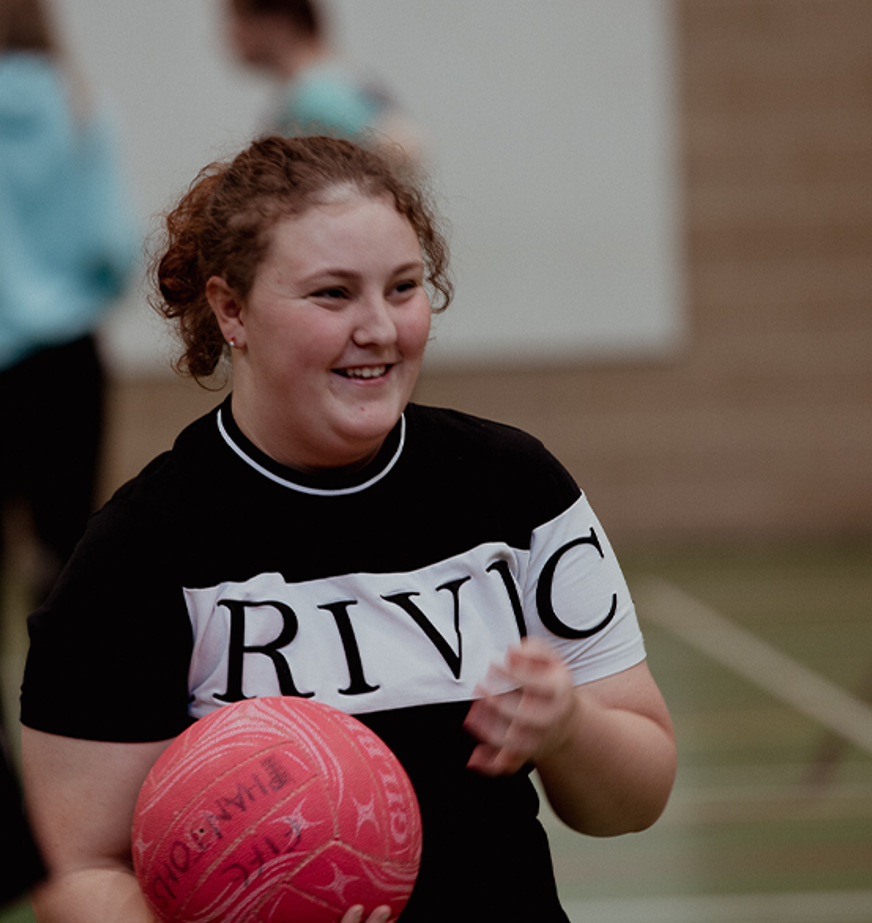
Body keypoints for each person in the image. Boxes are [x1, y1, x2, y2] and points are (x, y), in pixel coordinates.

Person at [20, 134, 676, 923]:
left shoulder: (514, 488)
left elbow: (635, 800)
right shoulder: (141, 554)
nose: (380, 328)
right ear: (232, 310)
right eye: (332, 294)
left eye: (403, 288)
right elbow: (78, 868)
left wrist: (569, 727)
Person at [0, 0, 138, 608]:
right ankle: (67, 704)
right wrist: (71, 296)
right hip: (66, 361)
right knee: (70, 558)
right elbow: (113, 245)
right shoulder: (80, 108)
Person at [225, 0, 423, 165]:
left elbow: (404, 149)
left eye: (238, 19)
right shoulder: (346, 76)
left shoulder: (314, 96)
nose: (231, 34)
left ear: (276, 21)